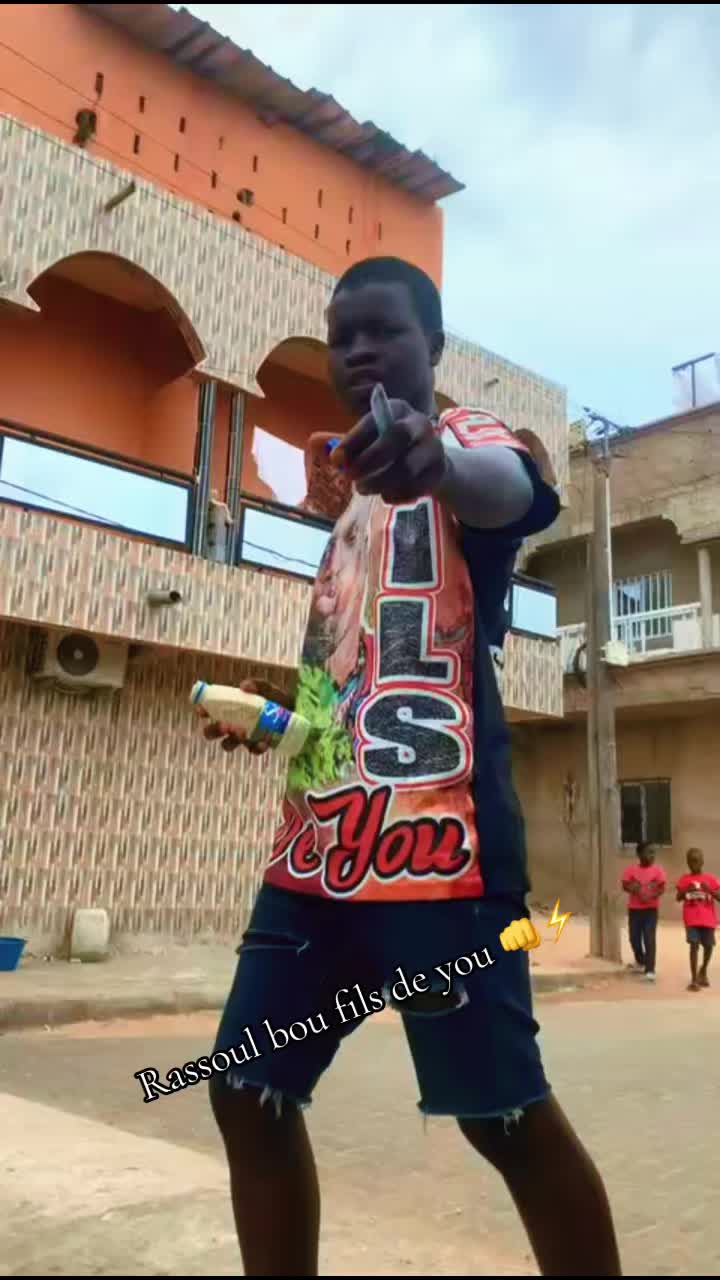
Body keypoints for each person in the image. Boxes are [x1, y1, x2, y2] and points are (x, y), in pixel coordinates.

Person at [204, 257, 621, 1277]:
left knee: (502, 1118)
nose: (357, 351)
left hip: (443, 862)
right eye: (341, 336)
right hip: (316, 855)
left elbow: (507, 490)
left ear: (432, 346)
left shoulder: (469, 442)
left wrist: (433, 462)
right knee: (245, 1089)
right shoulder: (347, 508)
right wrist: (278, 719)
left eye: (382, 331)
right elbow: (344, 687)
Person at [621, 841, 666, 981]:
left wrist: (651, 895)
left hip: (650, 911)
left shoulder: (658, 871)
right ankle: (641, 960)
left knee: (649, 937)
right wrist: (633, 888)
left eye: (653, 853)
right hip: (635, 911)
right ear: (639, 854)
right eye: (649, 852)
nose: (652, 855)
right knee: (633, 938)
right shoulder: (631, 870)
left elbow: (661, 888)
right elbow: (625, 884)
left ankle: (650, 969)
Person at [676, 847, 720, 991]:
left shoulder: (710, 879)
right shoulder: (684, 879)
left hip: (708, 919)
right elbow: (678, 898)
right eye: (690, 861)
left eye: (696, 860)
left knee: (709, 946)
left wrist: (710, 890)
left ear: (702, 862)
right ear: (687, 863)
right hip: (691, 919)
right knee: (693, 945)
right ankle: (694, 979)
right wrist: (686, 890)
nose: (693, 864)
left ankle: (703, 970)